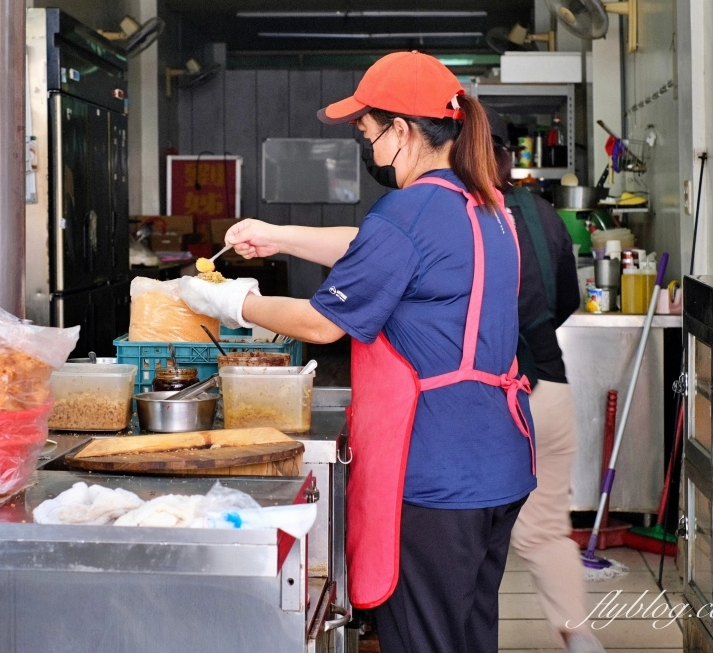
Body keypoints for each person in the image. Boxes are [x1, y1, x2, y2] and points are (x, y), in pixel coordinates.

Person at [179, 51, 536, 653]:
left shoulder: (412, 209)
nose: (368, 151)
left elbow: (321, 324)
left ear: (401, 131)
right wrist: (276, 235)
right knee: (468, 635)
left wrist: (235, 303)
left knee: (424, 640)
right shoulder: (485, 205)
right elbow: (374, 246)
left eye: (369, 135)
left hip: (434, 472)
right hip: (498, 463)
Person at [486, 109, 605, 653]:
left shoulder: (455, 216)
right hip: (550, 390)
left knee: (465, 530)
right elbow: (566, 300)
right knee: (544, 530)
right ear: (509, 158)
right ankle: (578, 636)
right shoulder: (542, 214)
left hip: (488, 399)